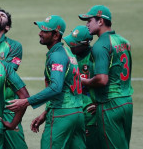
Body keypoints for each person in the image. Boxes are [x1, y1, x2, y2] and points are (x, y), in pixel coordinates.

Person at [7, 15, 85, 149]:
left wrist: (26, 101)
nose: (40, 33)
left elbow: (56, 88)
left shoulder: (56, 56)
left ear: (55, 35)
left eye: (44, 31)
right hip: (77, 113)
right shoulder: (67, 52)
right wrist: (45, 113)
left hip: (62, 115)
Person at [79, 5, 133, 149]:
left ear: (100, 21)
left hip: (110, 105)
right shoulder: (123, 42)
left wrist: (84, 81)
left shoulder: (100, 45)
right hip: (126, 101)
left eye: (89, 20)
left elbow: (102, 79)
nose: (87, 24)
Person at [0, 8, 27, 149]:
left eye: (2, 15)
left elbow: (7, 72)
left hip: (8, 106)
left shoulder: (15, 46)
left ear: (7, 27)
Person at [63, 25, 98, 149]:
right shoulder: (70, 57)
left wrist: (100, 103)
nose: (71, 46)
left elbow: (106, 82)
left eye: (74, 44)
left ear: (85, 44)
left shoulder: (95, 57)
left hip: (90, 114)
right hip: (73, 112)